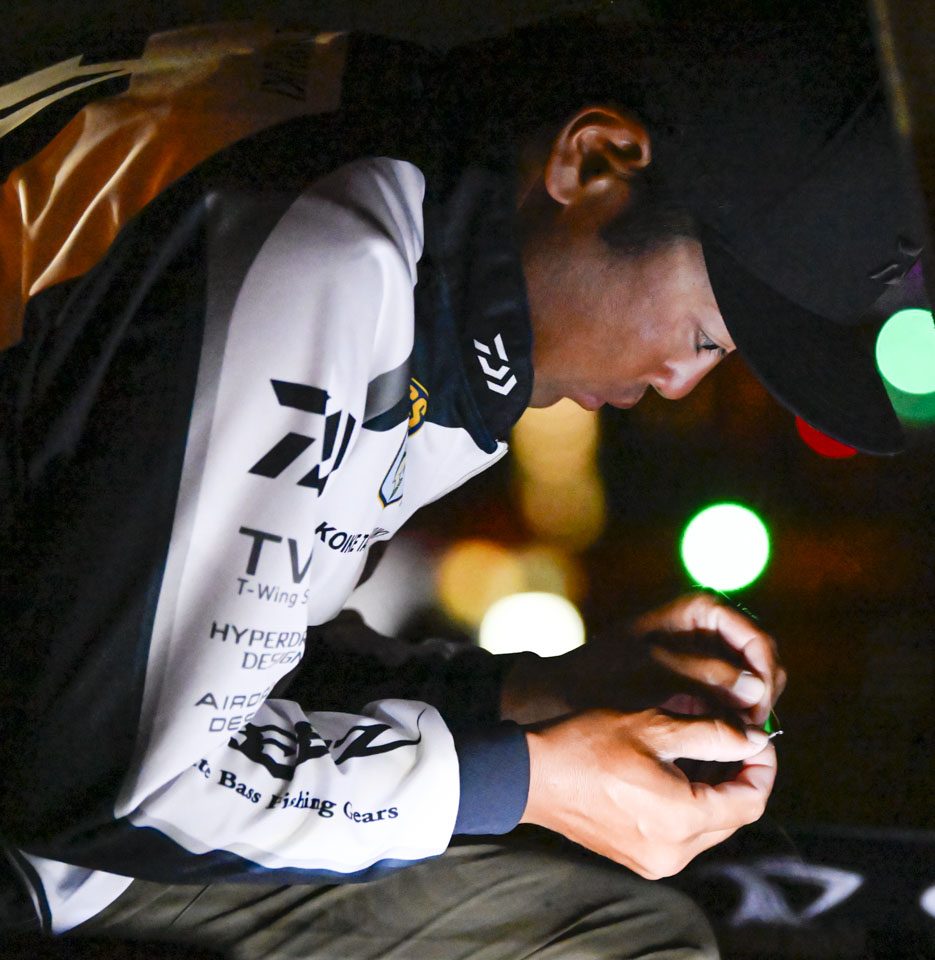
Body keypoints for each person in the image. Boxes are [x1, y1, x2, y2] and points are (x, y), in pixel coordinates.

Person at [0, 7, 920, 959]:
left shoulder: (385, 178)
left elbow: (193, 669)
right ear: (594, 162)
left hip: (55, 831)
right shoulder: (326, 249)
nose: (680, 382)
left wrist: (533, 695)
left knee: (622, 924)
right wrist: (531, 780)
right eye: (702, 333)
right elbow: (111, 780)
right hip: (40, 857)